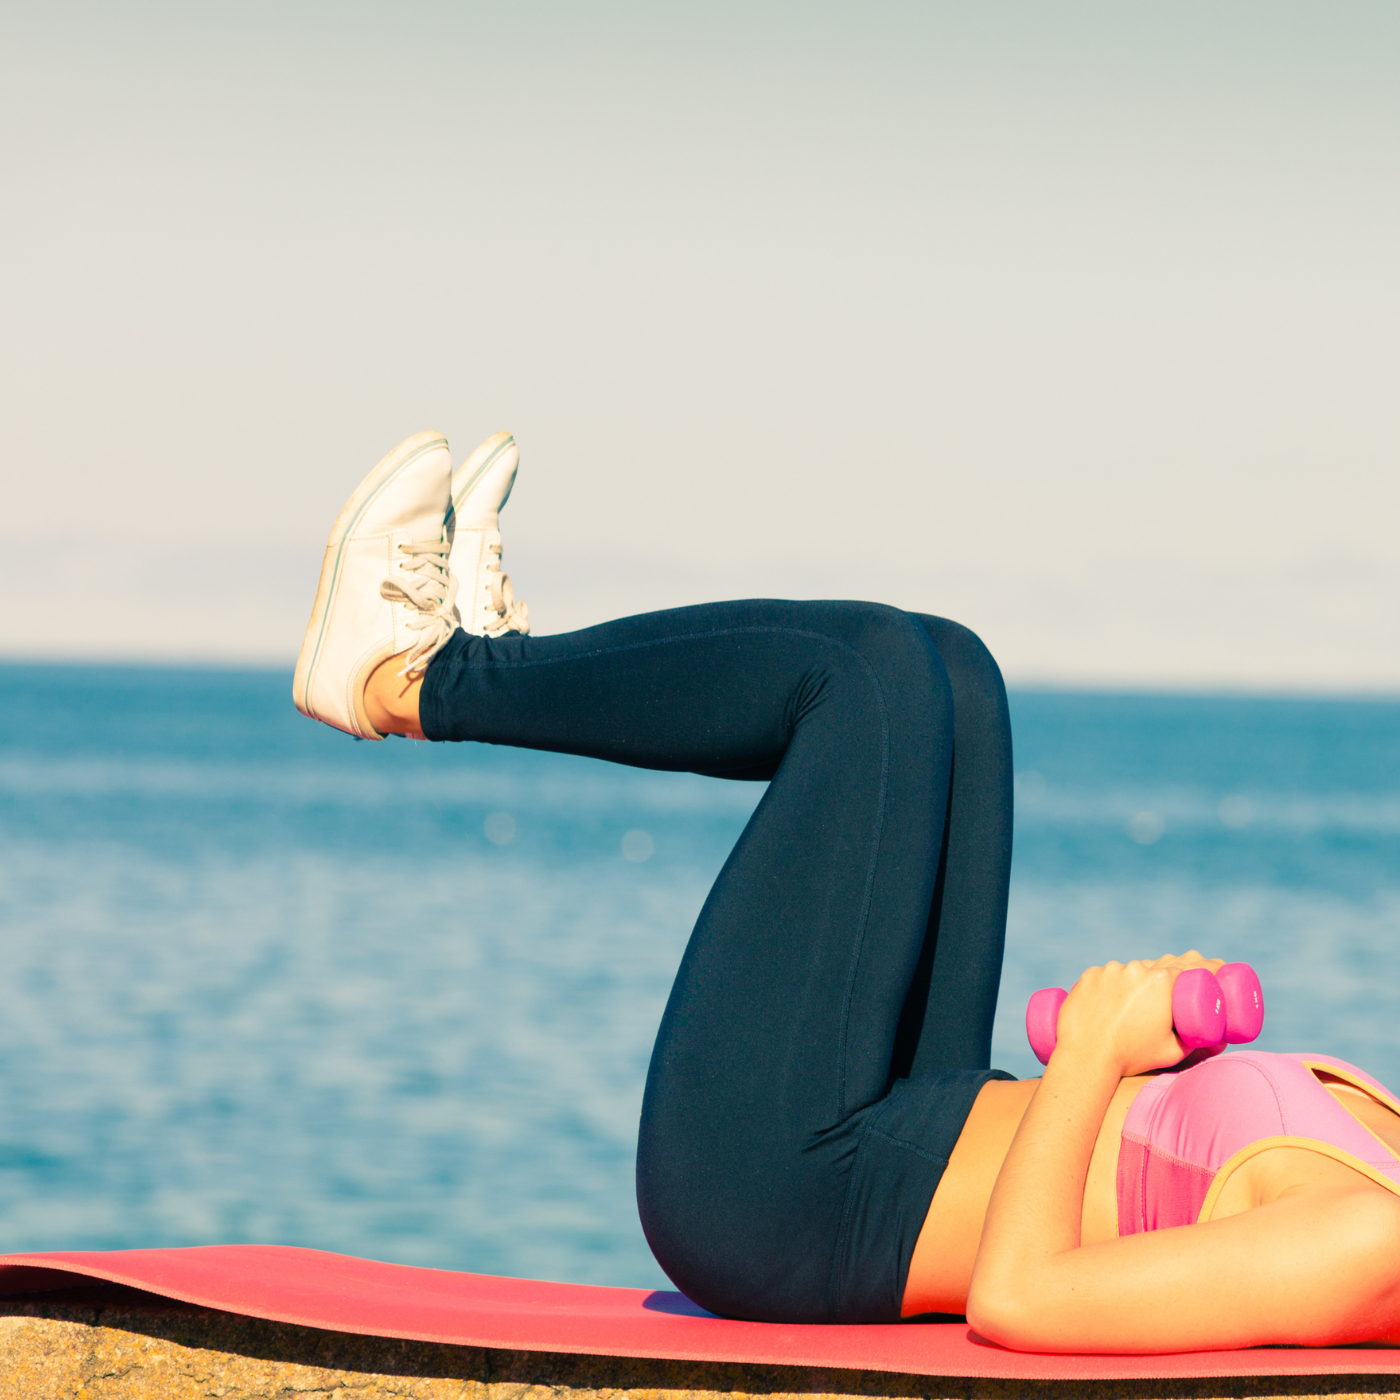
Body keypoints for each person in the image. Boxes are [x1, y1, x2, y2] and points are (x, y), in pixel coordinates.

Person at [293, 430, 1400, 1355]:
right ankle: (494, 654)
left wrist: (1096, 1054)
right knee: (953, 673)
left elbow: (1025, 1298)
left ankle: (414, 677)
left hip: (786, 1194)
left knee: (866, 675)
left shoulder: (1370, 1249)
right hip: (909, 1121)